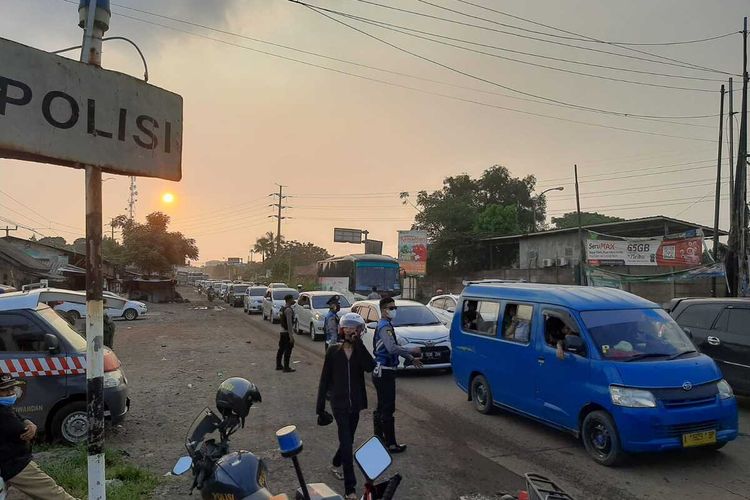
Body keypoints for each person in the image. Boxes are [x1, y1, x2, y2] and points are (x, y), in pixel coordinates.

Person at [316, 313, 375, 499]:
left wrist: (359, 345)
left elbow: (370, 366)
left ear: (359, 331)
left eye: (354, 327)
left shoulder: (359, 351)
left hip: (355, 403)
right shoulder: (333, 351)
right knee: (348, 443)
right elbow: (324, 380)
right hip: (338, 403)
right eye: (347, 327)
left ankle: (335, 462)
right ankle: (350, 488)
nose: (350, 330)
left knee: (348, 438)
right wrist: (320, 408)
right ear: (342, 329)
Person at [0, 373, 78, 500]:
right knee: (57, 495)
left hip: (13, 465)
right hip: (16, 466)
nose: (10, 393)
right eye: (4, 391)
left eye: (11, 389)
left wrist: (27, 422)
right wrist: (30, 428)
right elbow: (21, 431)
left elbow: (16, 415)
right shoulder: (3, 414)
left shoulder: (5, 408)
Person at [372, 297, 423, 453]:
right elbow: (392, 348)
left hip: (382, 370)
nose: (393, 310)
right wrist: (411, 350)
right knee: (387, 408)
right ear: (383, 310)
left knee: (382, 407)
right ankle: (390, 443)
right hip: (385, 371)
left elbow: (394, 347)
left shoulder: (386, 325)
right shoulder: (384, 326)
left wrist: (410, 359)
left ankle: (379, 439)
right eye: (390, 308)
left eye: (394, 308)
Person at [276, 294, 297, 373]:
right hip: (286, 333)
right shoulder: (288, 310)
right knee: (288, 350)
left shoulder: (283, 308)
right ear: (289, 300)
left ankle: (278, 365)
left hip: (282, 332)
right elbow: (289, 324)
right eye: (292, 299)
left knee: (281, 349)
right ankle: (286, 367)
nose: (293, 300)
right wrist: (291, 336)